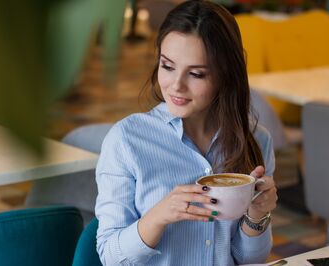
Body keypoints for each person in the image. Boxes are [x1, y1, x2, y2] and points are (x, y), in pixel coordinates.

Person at [95, 0, 278, 265]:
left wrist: (257, 215)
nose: (176, 86)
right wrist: (160, 215)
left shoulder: (256, 140)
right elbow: (110, 257)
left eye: (196, 74)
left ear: (225, 75)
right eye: (167, 66)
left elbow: (250, 259)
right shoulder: (126, 141)